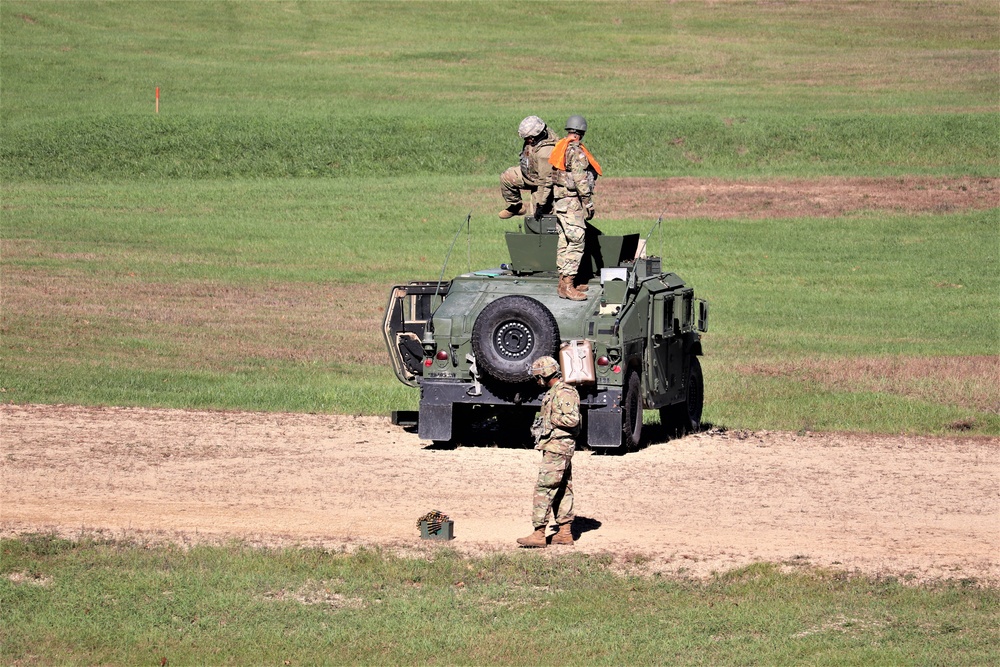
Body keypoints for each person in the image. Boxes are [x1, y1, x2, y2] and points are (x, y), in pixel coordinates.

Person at [516, 355, 580, 548]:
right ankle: (565, 532)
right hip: (556, 446)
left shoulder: (564, 392)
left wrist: (550, 420)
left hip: (558, 447)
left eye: (538, 377)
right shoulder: (555, 392)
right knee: (562, 488)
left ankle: (539, 533)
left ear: (545, 375)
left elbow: (572, 419)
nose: (537, 381)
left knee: (544, 488)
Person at [543, 115, 602, 301]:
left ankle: (564, 283)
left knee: (564, 241)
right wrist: (588, 202)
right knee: (576, 240)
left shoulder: (560, 147)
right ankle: (568, 285)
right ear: (582, 132)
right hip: (572, 202)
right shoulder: (575, 151)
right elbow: (579, 178)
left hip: (560, 202)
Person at [498, 116, 560, 220]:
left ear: (534, 136)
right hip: (529, 173)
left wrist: (540, 205)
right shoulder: (538, 136)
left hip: (541, 182)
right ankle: (516, 206)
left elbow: (545, 181)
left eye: (528, 138)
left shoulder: (545, 152)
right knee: (506, 177)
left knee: (538, 218)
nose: (527, 141)